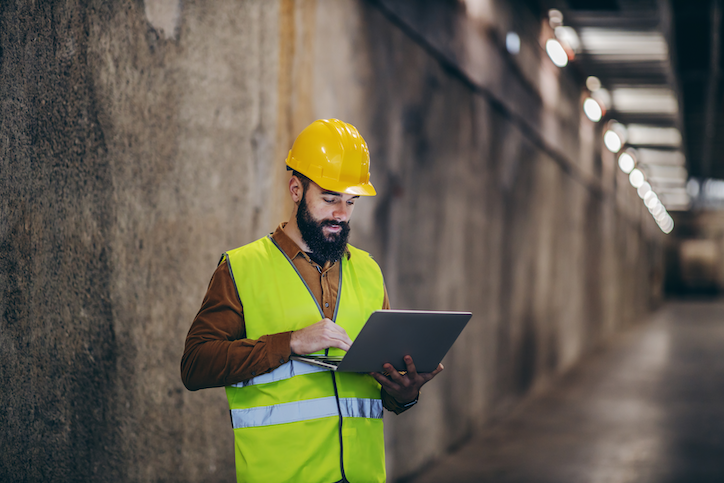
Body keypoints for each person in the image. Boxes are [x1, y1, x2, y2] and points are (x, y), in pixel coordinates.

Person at [181, 118, 443, 483]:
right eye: (330, 198)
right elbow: (195, 365)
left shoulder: (368, 272)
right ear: (295, 188)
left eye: (350, 202)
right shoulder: (241, 268)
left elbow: (374, 390)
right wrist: (290, 342)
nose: (341, 214)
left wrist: (404, 393)